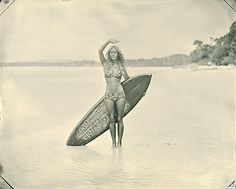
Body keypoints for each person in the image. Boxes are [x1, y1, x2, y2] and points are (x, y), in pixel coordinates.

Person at [98, 39, 130, 147]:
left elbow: (128, 80)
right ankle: (113, 143)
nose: (113, 54)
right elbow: (99, 51)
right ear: (109, 54)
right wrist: (108, 41)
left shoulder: (121, 66)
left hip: (120, 94)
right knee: (111, 119)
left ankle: (120, 142)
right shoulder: (105, 64)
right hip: (108, 95)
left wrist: (140, 92)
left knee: (120, 118)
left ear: (118, 54)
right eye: (111, 52)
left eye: (115, 52)